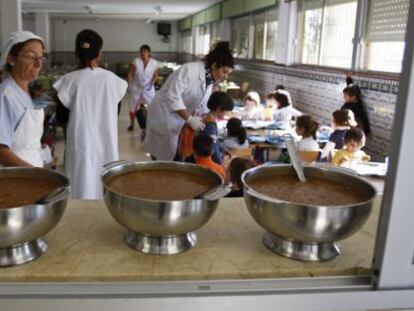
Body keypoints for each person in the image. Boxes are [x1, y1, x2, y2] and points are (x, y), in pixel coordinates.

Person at [53, 29, 128, 199]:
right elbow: (114, 114)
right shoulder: (113, 81)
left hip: (80, 145)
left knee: (80, 184)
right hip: (106, 143)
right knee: (105, 184)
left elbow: (61, 118)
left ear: (77, 54)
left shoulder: (69, 81)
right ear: (100, 53)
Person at [145, 41, 234, 161]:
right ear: (214, 66)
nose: (225, 77)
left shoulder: (209, 81)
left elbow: (202, 107)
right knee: (163, 159)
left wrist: (216, 142)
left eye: (228, 73)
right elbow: (173, 96)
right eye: (224, 72)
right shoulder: (189, 71)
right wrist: (189, 119)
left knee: (174, 155)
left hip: (178, 120)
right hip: (164, 116)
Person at [0, 31, 46, 167]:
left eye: (41, 57)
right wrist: (34, 174)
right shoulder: (6, 95)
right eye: (31, 57)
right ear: (11, 59)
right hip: (16, 178)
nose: (38, 64)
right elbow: (1, 151)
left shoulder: (23, 92)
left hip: (30, 171)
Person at [178, 91, 234, 164]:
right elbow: (213, 148)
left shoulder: (204, 116)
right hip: (198, 161)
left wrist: (222, 149)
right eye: (226, 111)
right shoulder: (210, 125)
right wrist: (220, 165)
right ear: (219, 108)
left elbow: (215, 141)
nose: (227, 113)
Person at [127, 44, 158, 132]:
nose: (143, 53)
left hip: (148, 87)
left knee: (152, 106)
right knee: (132, 107)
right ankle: (132, 124)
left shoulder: (154, 63)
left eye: (145, 51)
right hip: (136, 86)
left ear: (149, 53)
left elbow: (156, 75)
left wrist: (152, 84)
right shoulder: (136, 61)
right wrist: (129, 85)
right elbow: (130, 74)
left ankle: (152, 124)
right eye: (141, 51)